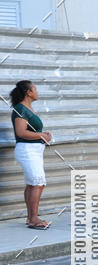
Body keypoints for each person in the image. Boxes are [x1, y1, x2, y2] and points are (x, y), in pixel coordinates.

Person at [9, 80, 52, 228]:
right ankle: (34, 219)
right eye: (35, 89)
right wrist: (41, 136)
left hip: (33, 150)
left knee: (32, 183)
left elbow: (31, 131)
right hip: (27, 150)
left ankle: (30, 218)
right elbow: (21, 133)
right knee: (37, 183)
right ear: (28, 92)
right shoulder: (21, 109)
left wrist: (42, 134)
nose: (37, 91)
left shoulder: (28, 108)